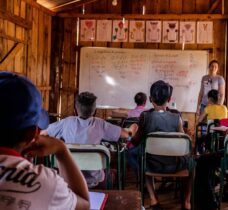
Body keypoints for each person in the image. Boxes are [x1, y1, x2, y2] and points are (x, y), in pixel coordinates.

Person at [0, 72, 89, 210]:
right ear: (32, 134)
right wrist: (61, 150)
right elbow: (84, 204)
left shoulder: (65, 123)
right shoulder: (45, 183)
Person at [42, 91, 138, 188]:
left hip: (69, 180)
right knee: (115, 173)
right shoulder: (100, 124)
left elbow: (43, 133)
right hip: (95, 181)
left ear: (75, 110)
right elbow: (127, 135)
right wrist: (133, 126)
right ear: (95, 111)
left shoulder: (66, 123)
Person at [130, 80, 191, 210]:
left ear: (151, 99)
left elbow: (136, 140)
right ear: (169, 99)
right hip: (176, 165)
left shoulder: (145, 116)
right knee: (192, 163)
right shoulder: (176, 116)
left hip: (153, 165)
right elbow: (183, 142)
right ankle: (186, 202)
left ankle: (153, 199)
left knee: (141, 159)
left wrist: (130, 137)